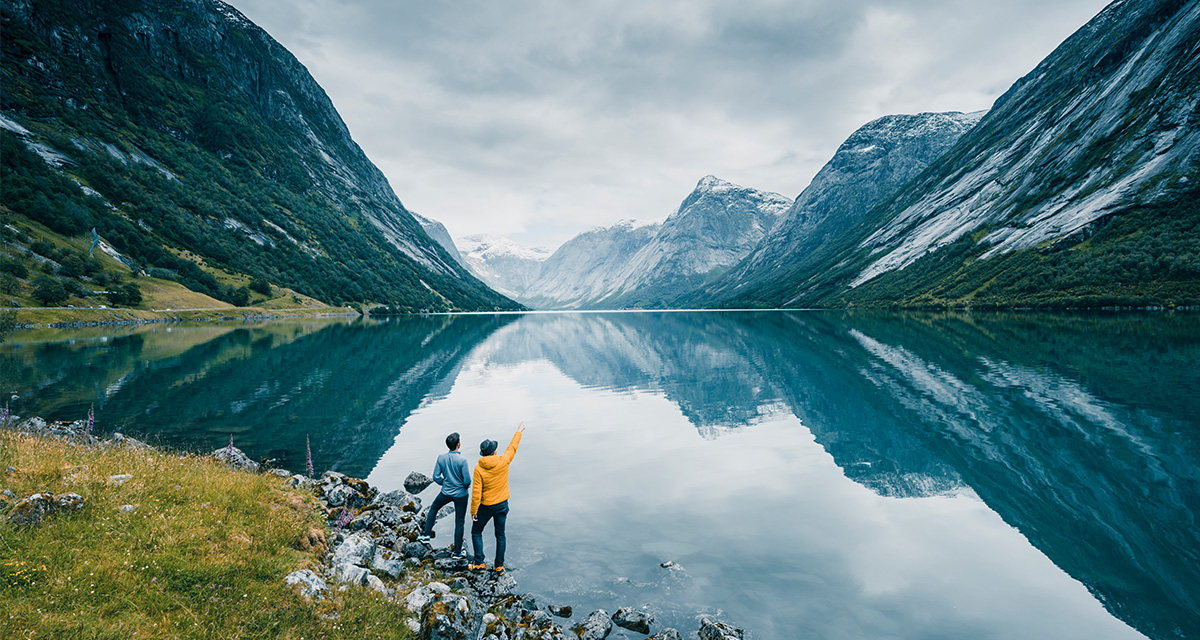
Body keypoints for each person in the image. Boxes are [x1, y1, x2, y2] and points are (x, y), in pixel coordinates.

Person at [470, 422, 525, 573]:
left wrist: (474, 511)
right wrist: (519, 431)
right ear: (494, 452)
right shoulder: (503, 461)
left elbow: (476, 493)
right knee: (500, 535)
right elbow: (512, 447)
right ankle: (499, 566)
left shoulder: (478, 469)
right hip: (502, 505)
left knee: (476, 531)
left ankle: (479, 564)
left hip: (486, 506)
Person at [418, 432, 471, 558]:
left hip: (446, 492)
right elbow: (467, 481)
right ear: (458, 444)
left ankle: (425, 536)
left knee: (434, 508)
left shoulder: (441, 458)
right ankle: (457, 552)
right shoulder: (463, 460)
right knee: (459, 522)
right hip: (461, 495)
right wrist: (462, 486)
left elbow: (436, 477)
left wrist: (446, 483)